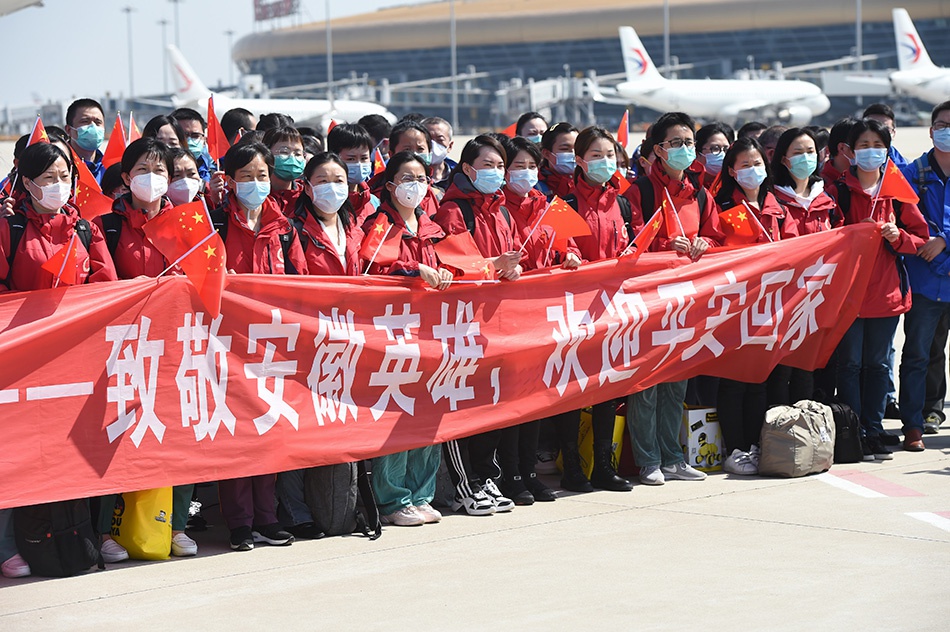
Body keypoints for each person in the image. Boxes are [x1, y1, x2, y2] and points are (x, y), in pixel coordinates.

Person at [0, 142, 117, 579]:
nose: (58, 186)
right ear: (26, 183)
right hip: (22, 357)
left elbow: (108, 286)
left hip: (76, 358)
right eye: (47, 179)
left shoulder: (86, 229)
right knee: (20, 450)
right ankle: (10, 543)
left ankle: (76, 537)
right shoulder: (8, 227)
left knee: (72, 448)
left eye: (64, 176)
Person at [214, 141, 307, 550]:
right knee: (235, 432)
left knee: (269, 428)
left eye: (262, 175)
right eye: (247, 176)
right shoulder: (214, 221)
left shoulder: (283, 227)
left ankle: (266, 518)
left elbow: (302, 282)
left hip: (273, 342)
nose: (255, 183)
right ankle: (239, 523)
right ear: (230, 181)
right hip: (225, 342)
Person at [624, 112, 723, 486]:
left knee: (676, 382)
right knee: (646, 383)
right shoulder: (641, 192)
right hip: (648, 300)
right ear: (657, 150)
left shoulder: (699, 193)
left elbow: (716, 239)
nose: (683, 149)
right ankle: (648, 459)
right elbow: (632, 243)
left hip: (686, 300)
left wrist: (703, 244)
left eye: (688, 143)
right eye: (675, 143)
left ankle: (673, 456)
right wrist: (667, 247)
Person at [828, 118, 929, 460]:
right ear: (849, 151)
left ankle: (872, 429)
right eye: (864, 146)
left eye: (877, 146)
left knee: (877, 365)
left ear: (887, 150)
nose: (871, 152)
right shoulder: (839, 191)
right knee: (850, 364)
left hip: (886, 293)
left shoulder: (897, 192)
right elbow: (825, 239)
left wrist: (896, 236)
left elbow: (919, 239)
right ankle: (852, 430)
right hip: (849, 294)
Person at [363, 151, 453, 526]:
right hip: (394, 331)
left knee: (428, 410)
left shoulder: (430, 226)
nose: (415, 185)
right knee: (396, 409)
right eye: (407, 178)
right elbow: (371, 265)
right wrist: (415, 269)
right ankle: (393, 499)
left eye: (421, 178)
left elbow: (457, 262)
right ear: (390, 185)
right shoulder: (381, 224)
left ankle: (421, 492)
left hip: (431, 330)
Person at [433, 135, 522, 514]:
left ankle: (486, 476)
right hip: (462, 323)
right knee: (458, 404)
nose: (496, 172)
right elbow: (454, 263)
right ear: (467, 169)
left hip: (497, 322)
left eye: (501, 165)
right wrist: (492, 266)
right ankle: (462, 483)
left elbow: (515, 254)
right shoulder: (454, 210)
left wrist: (514, 268)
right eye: (488, 165)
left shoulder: (501, 210)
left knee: (493, 403)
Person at [713, 137, 781, 475]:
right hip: (734, 307)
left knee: (759, 381)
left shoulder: (776, 205)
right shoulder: (723, 206)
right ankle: (734, 447)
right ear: (731, 170)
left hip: (770, 307)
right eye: (744, 165)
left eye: (758, 163)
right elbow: (712, 249)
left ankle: (755, 444)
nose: (753, 170)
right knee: (733, 382)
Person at [767, 127, 838, 405]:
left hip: (818, 300)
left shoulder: (827, 198)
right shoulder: (773, 199)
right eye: (798, 152)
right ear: (784, 159)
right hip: (783, 301)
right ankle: (777, 433)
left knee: (807, 372)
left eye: (810, 152)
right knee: (780, 372)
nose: (806, 158)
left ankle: (804, 434)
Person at [898, 101, 950, 449]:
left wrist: (944, 241)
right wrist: (927, 245)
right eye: (943, 125)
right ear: (931, 131)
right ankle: (913, 424)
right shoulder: (912, 174)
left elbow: (938, 236)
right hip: (925, 282)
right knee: (917, 354)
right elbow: (900, 224)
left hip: (938, 268)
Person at [288, 152, 364, 276]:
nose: (332, 188)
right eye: (323, 181)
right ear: (307, 188)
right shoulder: (296, 232)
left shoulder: (354, 229)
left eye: (338, 181)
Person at [369, 120, 440, 216]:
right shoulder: (374, 198)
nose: (414, 154)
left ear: (430, 153)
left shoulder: (439, 195)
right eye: (407, 149)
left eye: (420, 149)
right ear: (391, 154)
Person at [326, 123, 380, 224]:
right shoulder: (325, 200)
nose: (359, 164)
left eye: (364, 158)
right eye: (351, 159)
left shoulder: (374, 203)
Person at [262, 126, 306, 215]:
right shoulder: (257, 195)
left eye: (297, 154)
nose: (292, 158)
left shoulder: (307, 196)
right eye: (284, 152)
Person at [64, 98, 106, 183]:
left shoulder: (109, 167)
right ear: (69, 130)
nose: (93, 127)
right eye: (85, 121)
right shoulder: (62, 167)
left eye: (98, 122)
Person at [171, 107, 216, 182]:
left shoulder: (214, 175)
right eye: (183, 135)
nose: (189, 140)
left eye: (195, 136)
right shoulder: (162, 173)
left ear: (204, 140)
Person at [537, 122, 578, 201]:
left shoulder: (589, 184)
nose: (573, 154)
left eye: (577, 149)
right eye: (565, 149)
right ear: (546, 154)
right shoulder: (533, 186)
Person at [864, 103, 908, 167]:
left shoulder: (907, 168)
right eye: (872, 128)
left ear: (893, 133)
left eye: (886, 129)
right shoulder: (849, 166)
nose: (879, 133)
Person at [821, 118, 860, 188]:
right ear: (842, 148)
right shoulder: (820, 186)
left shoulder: (871, 181)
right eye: (862, 145)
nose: (866, 151)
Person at [695, 122, 734, 187]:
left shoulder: (735, 184)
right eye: (715, 149)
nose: (722, 154)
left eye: (726, 149)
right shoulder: (688, 184)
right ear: (697, 153)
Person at [423, 116, 457, 192]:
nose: (433, 144)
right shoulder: (409, 177)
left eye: (440, 140)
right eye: (428, 139)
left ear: (450, 146)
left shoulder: (459, 177)